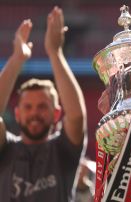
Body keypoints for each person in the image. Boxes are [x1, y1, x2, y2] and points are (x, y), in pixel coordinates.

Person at [0, 6, 87, 202]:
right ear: (17, 114)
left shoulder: (63, 149)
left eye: (42, 107)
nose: (34, 113)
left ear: (56, 114)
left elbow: (76, 116)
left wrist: (55, 53)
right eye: (28, 107)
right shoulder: (5, 150)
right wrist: (16, 60)